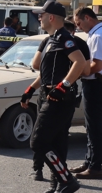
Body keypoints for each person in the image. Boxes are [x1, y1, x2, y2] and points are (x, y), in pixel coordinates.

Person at [20, 0, 86, 193]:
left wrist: (64, 85)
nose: (38, 17)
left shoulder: (65, 39)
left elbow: (80, 62)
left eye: (41, 15)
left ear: (51, 17)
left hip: (59, 99)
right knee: (56, 144)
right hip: (49, 94)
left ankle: (66, 180)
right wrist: (31, 89)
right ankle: (55, 187)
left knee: (38, 141)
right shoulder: (51, 39)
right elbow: (47, 73)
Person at [30, 19, 90, 181]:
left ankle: (55, 176)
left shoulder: (71, 45)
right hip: (51, 91)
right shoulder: (53, 41)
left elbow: (83, 68)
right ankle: (55, 176)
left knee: (43, 136)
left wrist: (65, 73)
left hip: (60, 94)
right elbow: (38, 66)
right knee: (52, 135)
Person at [71, 7, 102, 179]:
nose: (79, 26)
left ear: (87, 18)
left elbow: (95, 66)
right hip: (97, 83)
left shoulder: (98, 36)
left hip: (97, 83)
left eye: (79, 23)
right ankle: (89, 162)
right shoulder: (98, 34)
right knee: (91, 126)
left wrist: (77, 72)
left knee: (94, 127)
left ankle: (95, 167)